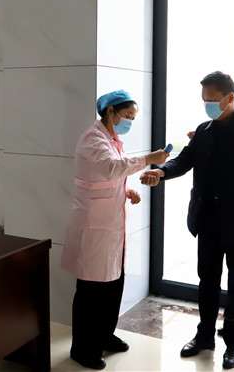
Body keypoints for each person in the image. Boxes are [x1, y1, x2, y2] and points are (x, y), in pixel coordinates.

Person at [140, 71, 234, 369]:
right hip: (208, 223)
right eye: (204, 100)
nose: (208, 106)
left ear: (230, 97)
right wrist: (161, 172)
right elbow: (185, 160)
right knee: (207, 282)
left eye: (212, 100)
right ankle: (204, 336)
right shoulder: (205, 130)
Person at [60, 90, 169, 370]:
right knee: (91, 291)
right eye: (128, 116)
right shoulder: (92, 138)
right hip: (93, 226)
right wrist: (150, 158)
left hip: (111, 225)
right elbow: (110, 168)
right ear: (111, 111)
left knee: (113, 284)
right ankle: (82, 349)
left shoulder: (112, 140)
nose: (129, 121)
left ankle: (105, 335)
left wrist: (127, 190)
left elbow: (108, 178)